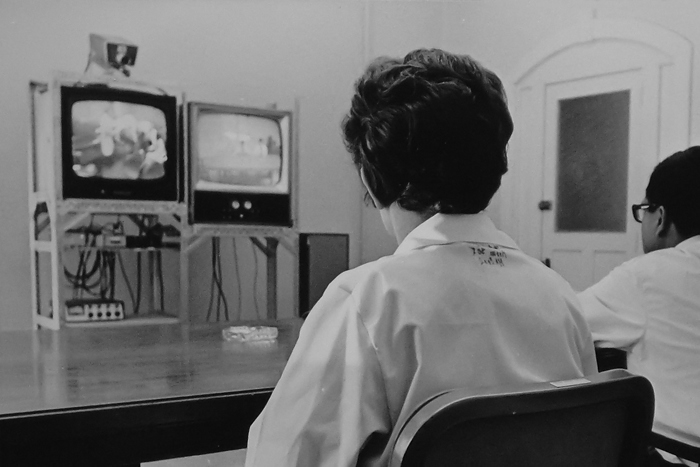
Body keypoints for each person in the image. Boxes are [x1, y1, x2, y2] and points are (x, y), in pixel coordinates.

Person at [244, 48, 597, 467]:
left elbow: (281, 459)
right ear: (492, 168)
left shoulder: (366, 300)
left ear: (372, 180)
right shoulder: (561, 298)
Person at [578, 147, 700, 467]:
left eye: (643, 210)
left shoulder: (649, 276)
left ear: (660, 217)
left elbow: (566, 322)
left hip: (676, 456)